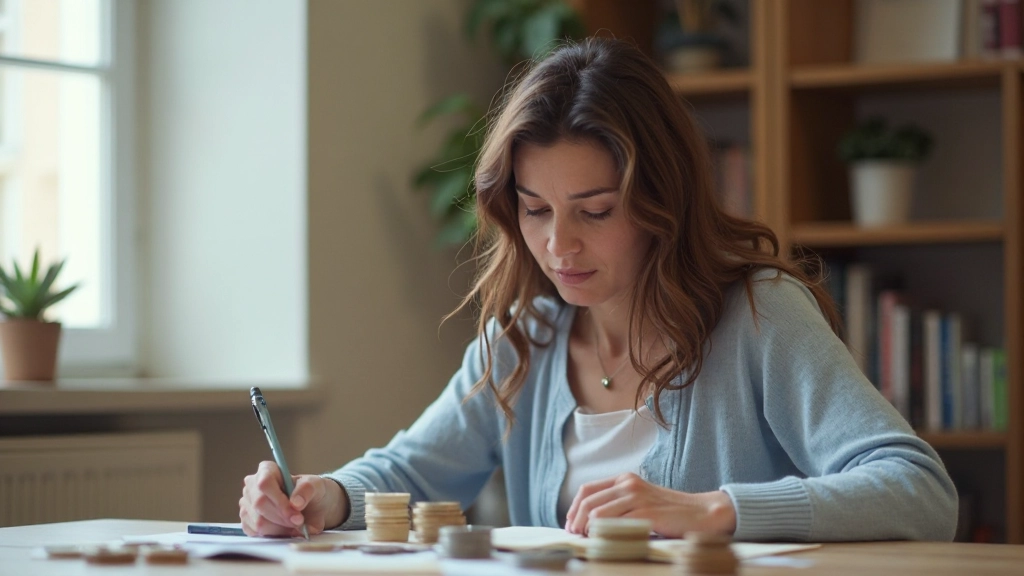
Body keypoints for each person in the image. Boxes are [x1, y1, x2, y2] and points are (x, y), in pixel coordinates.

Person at [239, 37, 958, 542]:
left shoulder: (758, 314)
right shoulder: (526, 337)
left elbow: (918, 489)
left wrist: (714, 510)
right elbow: (412, 471)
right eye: (535, 208)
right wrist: (319, 497)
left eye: (596, 210)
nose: (559, 245)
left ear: (660, 201)